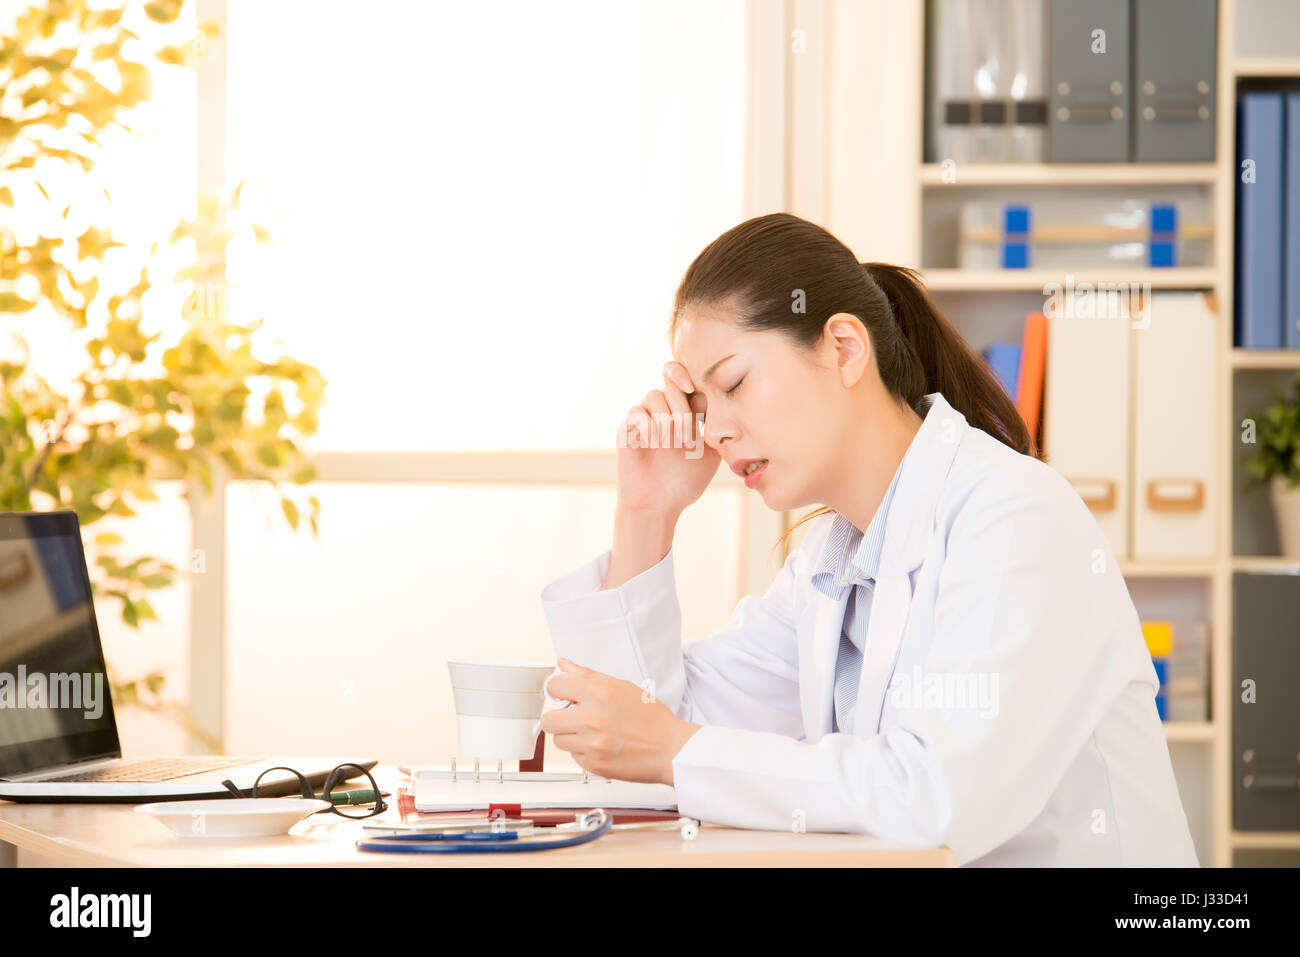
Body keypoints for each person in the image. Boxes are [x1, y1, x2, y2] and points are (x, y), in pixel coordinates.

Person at [537, 212, 1199, 866]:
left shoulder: (1015, 515)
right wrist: (646, 511)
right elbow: (636, 735)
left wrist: (672, 748)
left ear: (845, 349)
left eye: (734, 383)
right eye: (704, 406)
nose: (714, 431)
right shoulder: (827, 565)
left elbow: (938, 797)